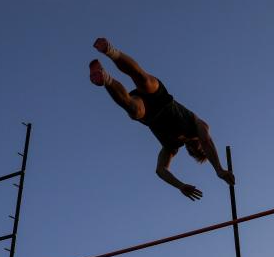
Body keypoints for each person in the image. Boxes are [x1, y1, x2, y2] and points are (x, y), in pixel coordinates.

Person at [89, 37, 235, 201]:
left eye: (192, 152)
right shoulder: (198, 125)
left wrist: (180, 185)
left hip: (148, 114)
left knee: (132, 109)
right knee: (142, 78)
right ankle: (109, 50)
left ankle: (104, 77)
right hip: (161, 98)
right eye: (198, 149)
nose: (194, 148)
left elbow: (161, 170)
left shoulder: (172, 147)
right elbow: (207, 141)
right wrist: (219, 170)